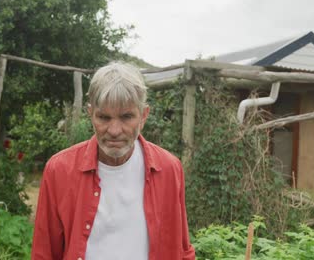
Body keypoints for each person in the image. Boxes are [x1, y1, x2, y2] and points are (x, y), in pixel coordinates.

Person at [31, 62, 195, 260]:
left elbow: (183, 250)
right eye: (104, 117)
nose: (115, 130)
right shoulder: (60, 170)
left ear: (144, 115)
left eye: (126, 117)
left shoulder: (169, 169)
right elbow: (44, 253)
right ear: (90, 113)